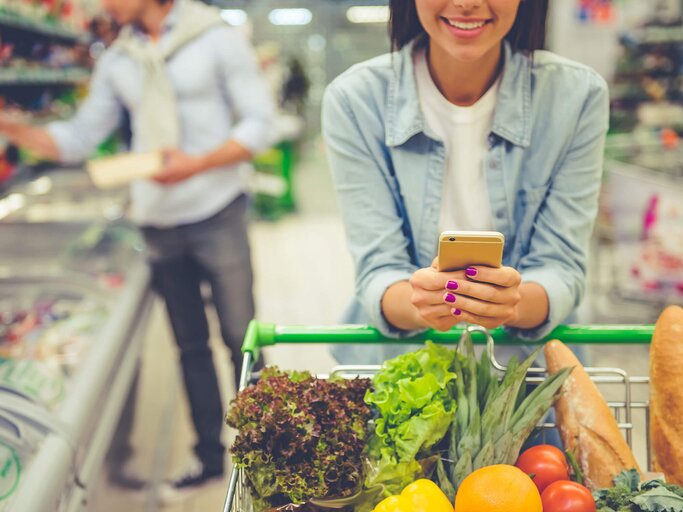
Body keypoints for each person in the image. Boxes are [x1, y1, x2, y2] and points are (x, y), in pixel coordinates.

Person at [0, 0, 275, 500]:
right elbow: (81, 136)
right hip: (159, 221)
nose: (104, 5)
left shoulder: (211, 36)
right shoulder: (119, 59)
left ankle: (268, 453)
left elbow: (260, 124)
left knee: (242, 337)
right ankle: (210, 458)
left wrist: (196, 165)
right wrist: (16, 129)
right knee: (188, 345)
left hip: (217, 208)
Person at [322, 0, 609, 365]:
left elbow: (561, 266)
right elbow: (379, 269)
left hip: (529, 379)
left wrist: (512, 304)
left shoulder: (576, 96)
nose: (467, 3)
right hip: (400, 377)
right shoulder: (355, 99)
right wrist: (419, 302)